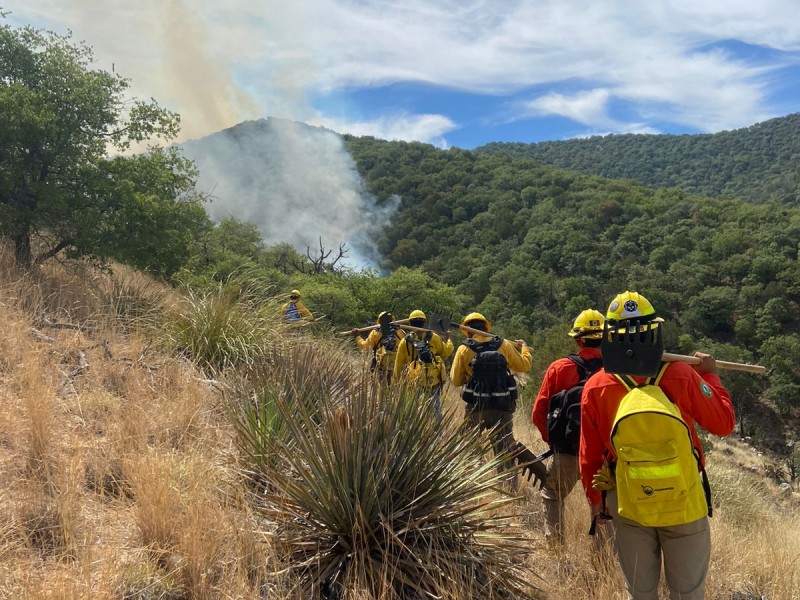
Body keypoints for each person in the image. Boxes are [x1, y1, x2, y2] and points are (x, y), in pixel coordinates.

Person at [579, 291, 735, 600]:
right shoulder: (681, 374)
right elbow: (724, 423)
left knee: (640, 593)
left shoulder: (596, 386)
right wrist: (712, 376)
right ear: (652, 331)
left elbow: (590, 456)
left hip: (628, 502)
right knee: (687, 594)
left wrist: (597, 503)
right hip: (683, 499)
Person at [531, 309, 605, 547]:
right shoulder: (617, 371)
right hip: (606, 454)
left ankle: (556, 553)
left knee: (553, 495)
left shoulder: (560, 368)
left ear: (577, 339)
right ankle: (603, 562)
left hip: (568, 450)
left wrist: (554, 442)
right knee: (604, 507)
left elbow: (538, 413)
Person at [450, 312, 533, 487]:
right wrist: (524, 348)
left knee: (469, 447)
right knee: (504, 449)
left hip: (476, 406)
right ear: (486, 327)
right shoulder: (503, 345)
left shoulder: (464, 349)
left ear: (468, 330)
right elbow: (524, 366)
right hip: (502, 406)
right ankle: (509, 488)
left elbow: (456, 381)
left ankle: (469, 486)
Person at [393, 309, 453, 422]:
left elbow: (398, 364)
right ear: (424, 322)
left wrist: (397, 382)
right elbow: (446, 352)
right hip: (432, 380)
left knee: (412, 410)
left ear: (410, 323)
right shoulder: (434, 337)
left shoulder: (404, 341)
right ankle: (438, 433)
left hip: (413, 380)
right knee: (435, 409)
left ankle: (413, 432)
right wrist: (449, 339)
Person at [351, 311, 405, 384]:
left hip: (381, 367)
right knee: (396, 388)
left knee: (381, 389)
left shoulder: (375, 332)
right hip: (397, 366)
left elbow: (365, 348)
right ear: (393, 320)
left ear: (379, 322)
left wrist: (357, 336)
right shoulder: (401, 332)